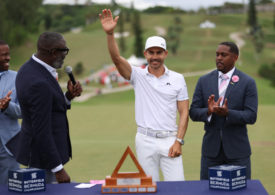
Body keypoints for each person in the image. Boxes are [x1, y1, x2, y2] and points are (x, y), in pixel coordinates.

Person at [99, 9, 189, 181]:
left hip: (170, 139)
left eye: (159, 52)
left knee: (178, 187)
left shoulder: (178, 79)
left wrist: (179, 140)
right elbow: (117, 59)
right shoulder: (137, 75)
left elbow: (184, 112)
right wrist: (110, 34)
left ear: (165, 54)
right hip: (145, 140)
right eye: (151, 52)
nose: (155, 56)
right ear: (145, 53)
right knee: (148, 187)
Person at [8, 32, 82, 183]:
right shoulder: (39, 82)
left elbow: (49, 106)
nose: (65, 55)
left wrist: (67, 97)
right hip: (43, 159)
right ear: (53, 52)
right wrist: (58, 169)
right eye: (64, 51)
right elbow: (41, 130)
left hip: (41, 155)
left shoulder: (27, 69)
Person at [189, 41, 258, 180]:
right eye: (217, 55)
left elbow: (251, 116)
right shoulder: (204, 81)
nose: (219, 58)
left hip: (238, 153)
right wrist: (208, 112)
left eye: (224, 55)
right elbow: (193, 112)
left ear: (235, 57)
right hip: (211, 153)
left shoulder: (248, 82)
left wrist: (228, 113)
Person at [0, 40, 21, 184]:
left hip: (9, 147)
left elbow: (24, 111)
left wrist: (8, 107)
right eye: (3, 55)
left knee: (10, 189)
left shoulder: (17, 78)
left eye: (8, 54)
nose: (8, 58)